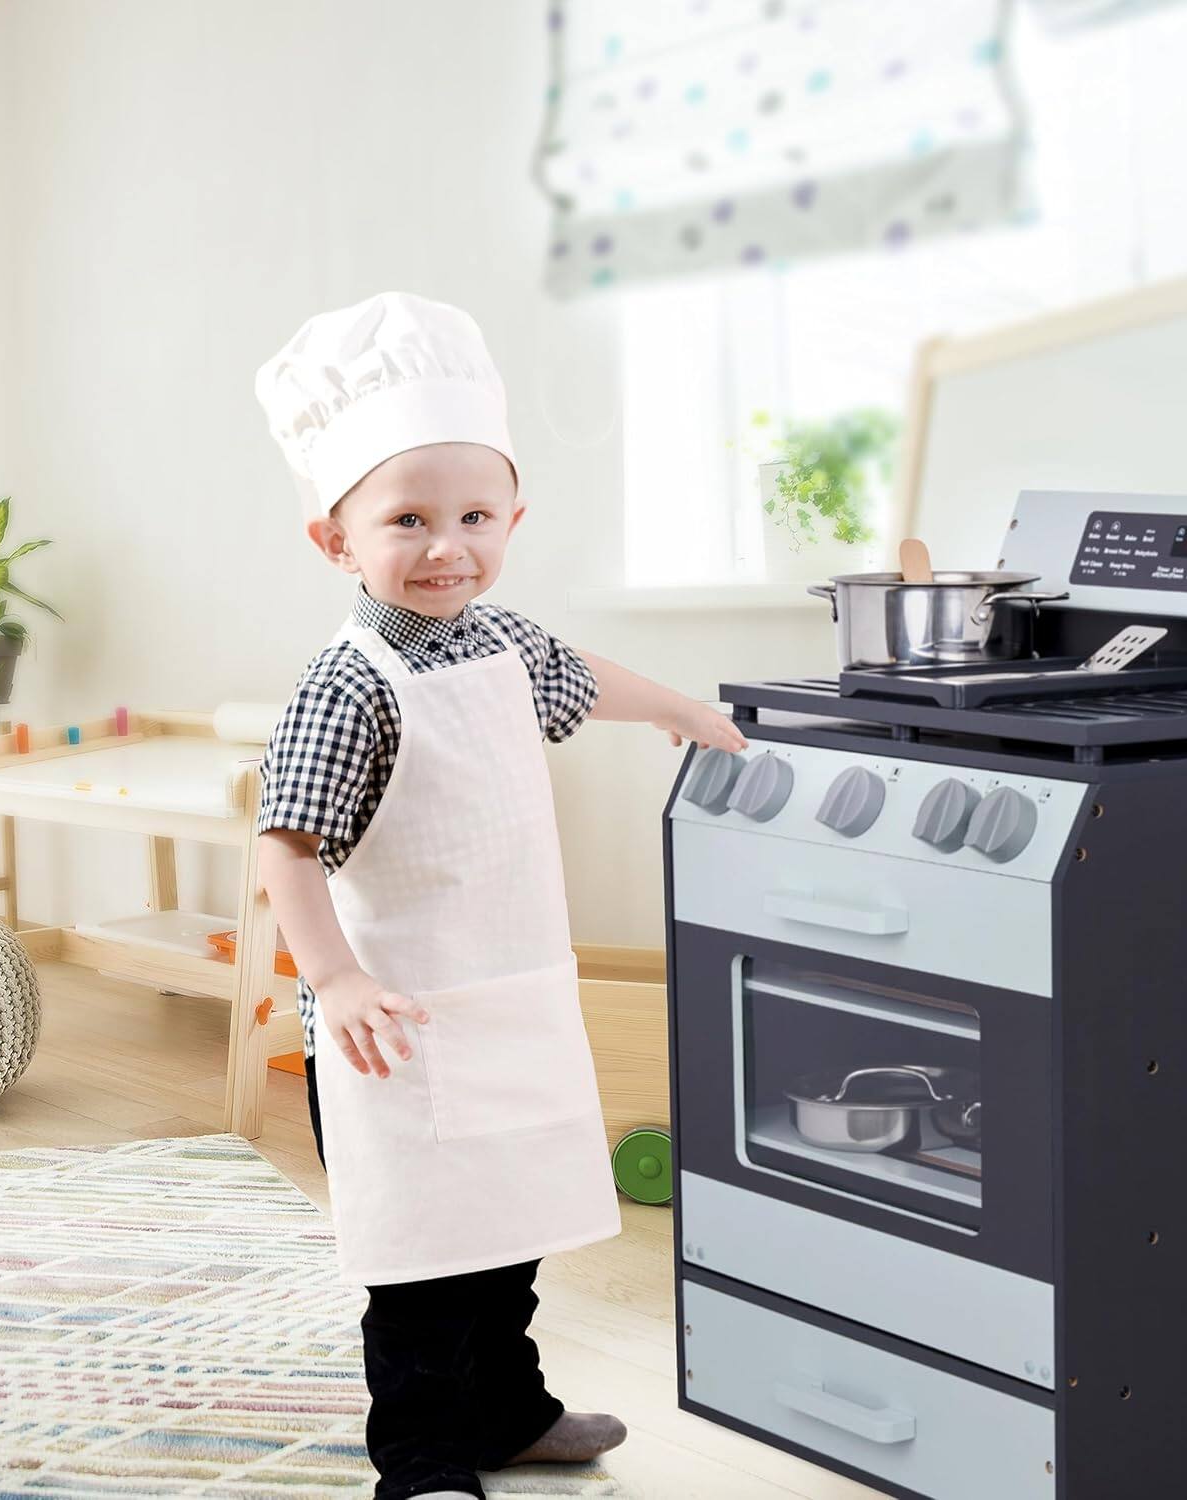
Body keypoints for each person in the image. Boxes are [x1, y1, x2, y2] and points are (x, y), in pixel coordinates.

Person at [253, 291, 746, 1500]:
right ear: (337, 539)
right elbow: (287, 848)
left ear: (512, 518)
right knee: (423, 1262)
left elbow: (586, 677)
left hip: (510, 1000)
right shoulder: (345, 683)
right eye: (408, 519)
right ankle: (421, 1459)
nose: (445, 546)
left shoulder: (505, 642)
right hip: (391, 1026)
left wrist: (680, 709)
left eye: (474, 516)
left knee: (508, 1239)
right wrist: (337, 978)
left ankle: (510, 1415)